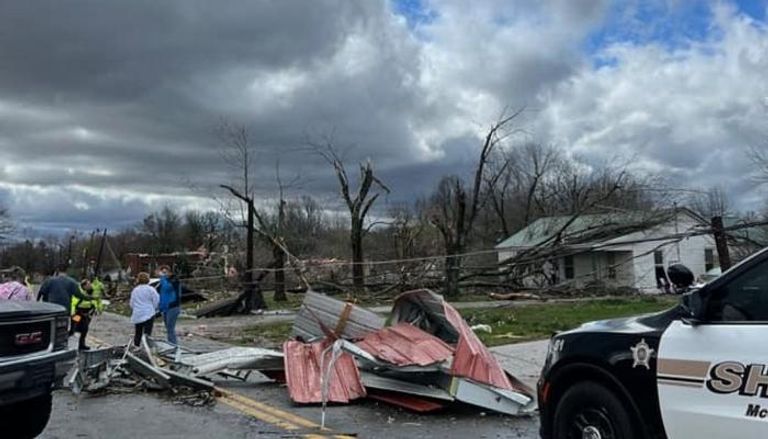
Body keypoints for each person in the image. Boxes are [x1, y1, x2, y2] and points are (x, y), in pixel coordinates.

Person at [130, 272, 158, 347]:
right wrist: (153, 308)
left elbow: (132, 302)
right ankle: (147, 349)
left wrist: (135, 308)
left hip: (138, 314)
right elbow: (156, 300)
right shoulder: (151, 289)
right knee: (147, 334)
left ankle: (136, 347)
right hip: (149, 313)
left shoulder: (135, 290)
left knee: (138, 333)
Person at [157, 265, 181, 345]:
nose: (163, 274)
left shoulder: (174, 281)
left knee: (170, 328)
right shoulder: (162, 282)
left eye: (165, 272)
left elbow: (168, 287)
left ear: (169, 272)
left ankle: (173, 345)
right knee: (168, 328)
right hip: (165, 308)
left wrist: (163, 277)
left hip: (173, 307)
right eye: (162, 272)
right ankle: (171, 344)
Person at [70, 279, 96, 350]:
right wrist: (72, 313)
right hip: (77, 313)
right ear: (84, 286)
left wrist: (95, 309)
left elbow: (94, 302)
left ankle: (81, 345)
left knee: (84, 329)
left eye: (90, 284)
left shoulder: (91, 292)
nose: (90, 285)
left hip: (86, 313)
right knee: (74, 329)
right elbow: (73, 303)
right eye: (88, 284)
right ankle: (71, 345)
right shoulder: (79, 293)